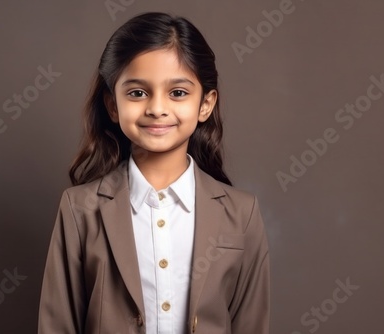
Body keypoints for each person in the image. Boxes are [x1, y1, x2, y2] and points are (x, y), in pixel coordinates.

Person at [38, 12, 270, 334]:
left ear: (205, 104)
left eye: (177, 93)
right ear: (113, 105)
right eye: (137, 92)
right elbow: (58, 325)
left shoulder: (242, 212)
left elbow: (251, 324)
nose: (157, 108)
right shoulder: (79, 210)